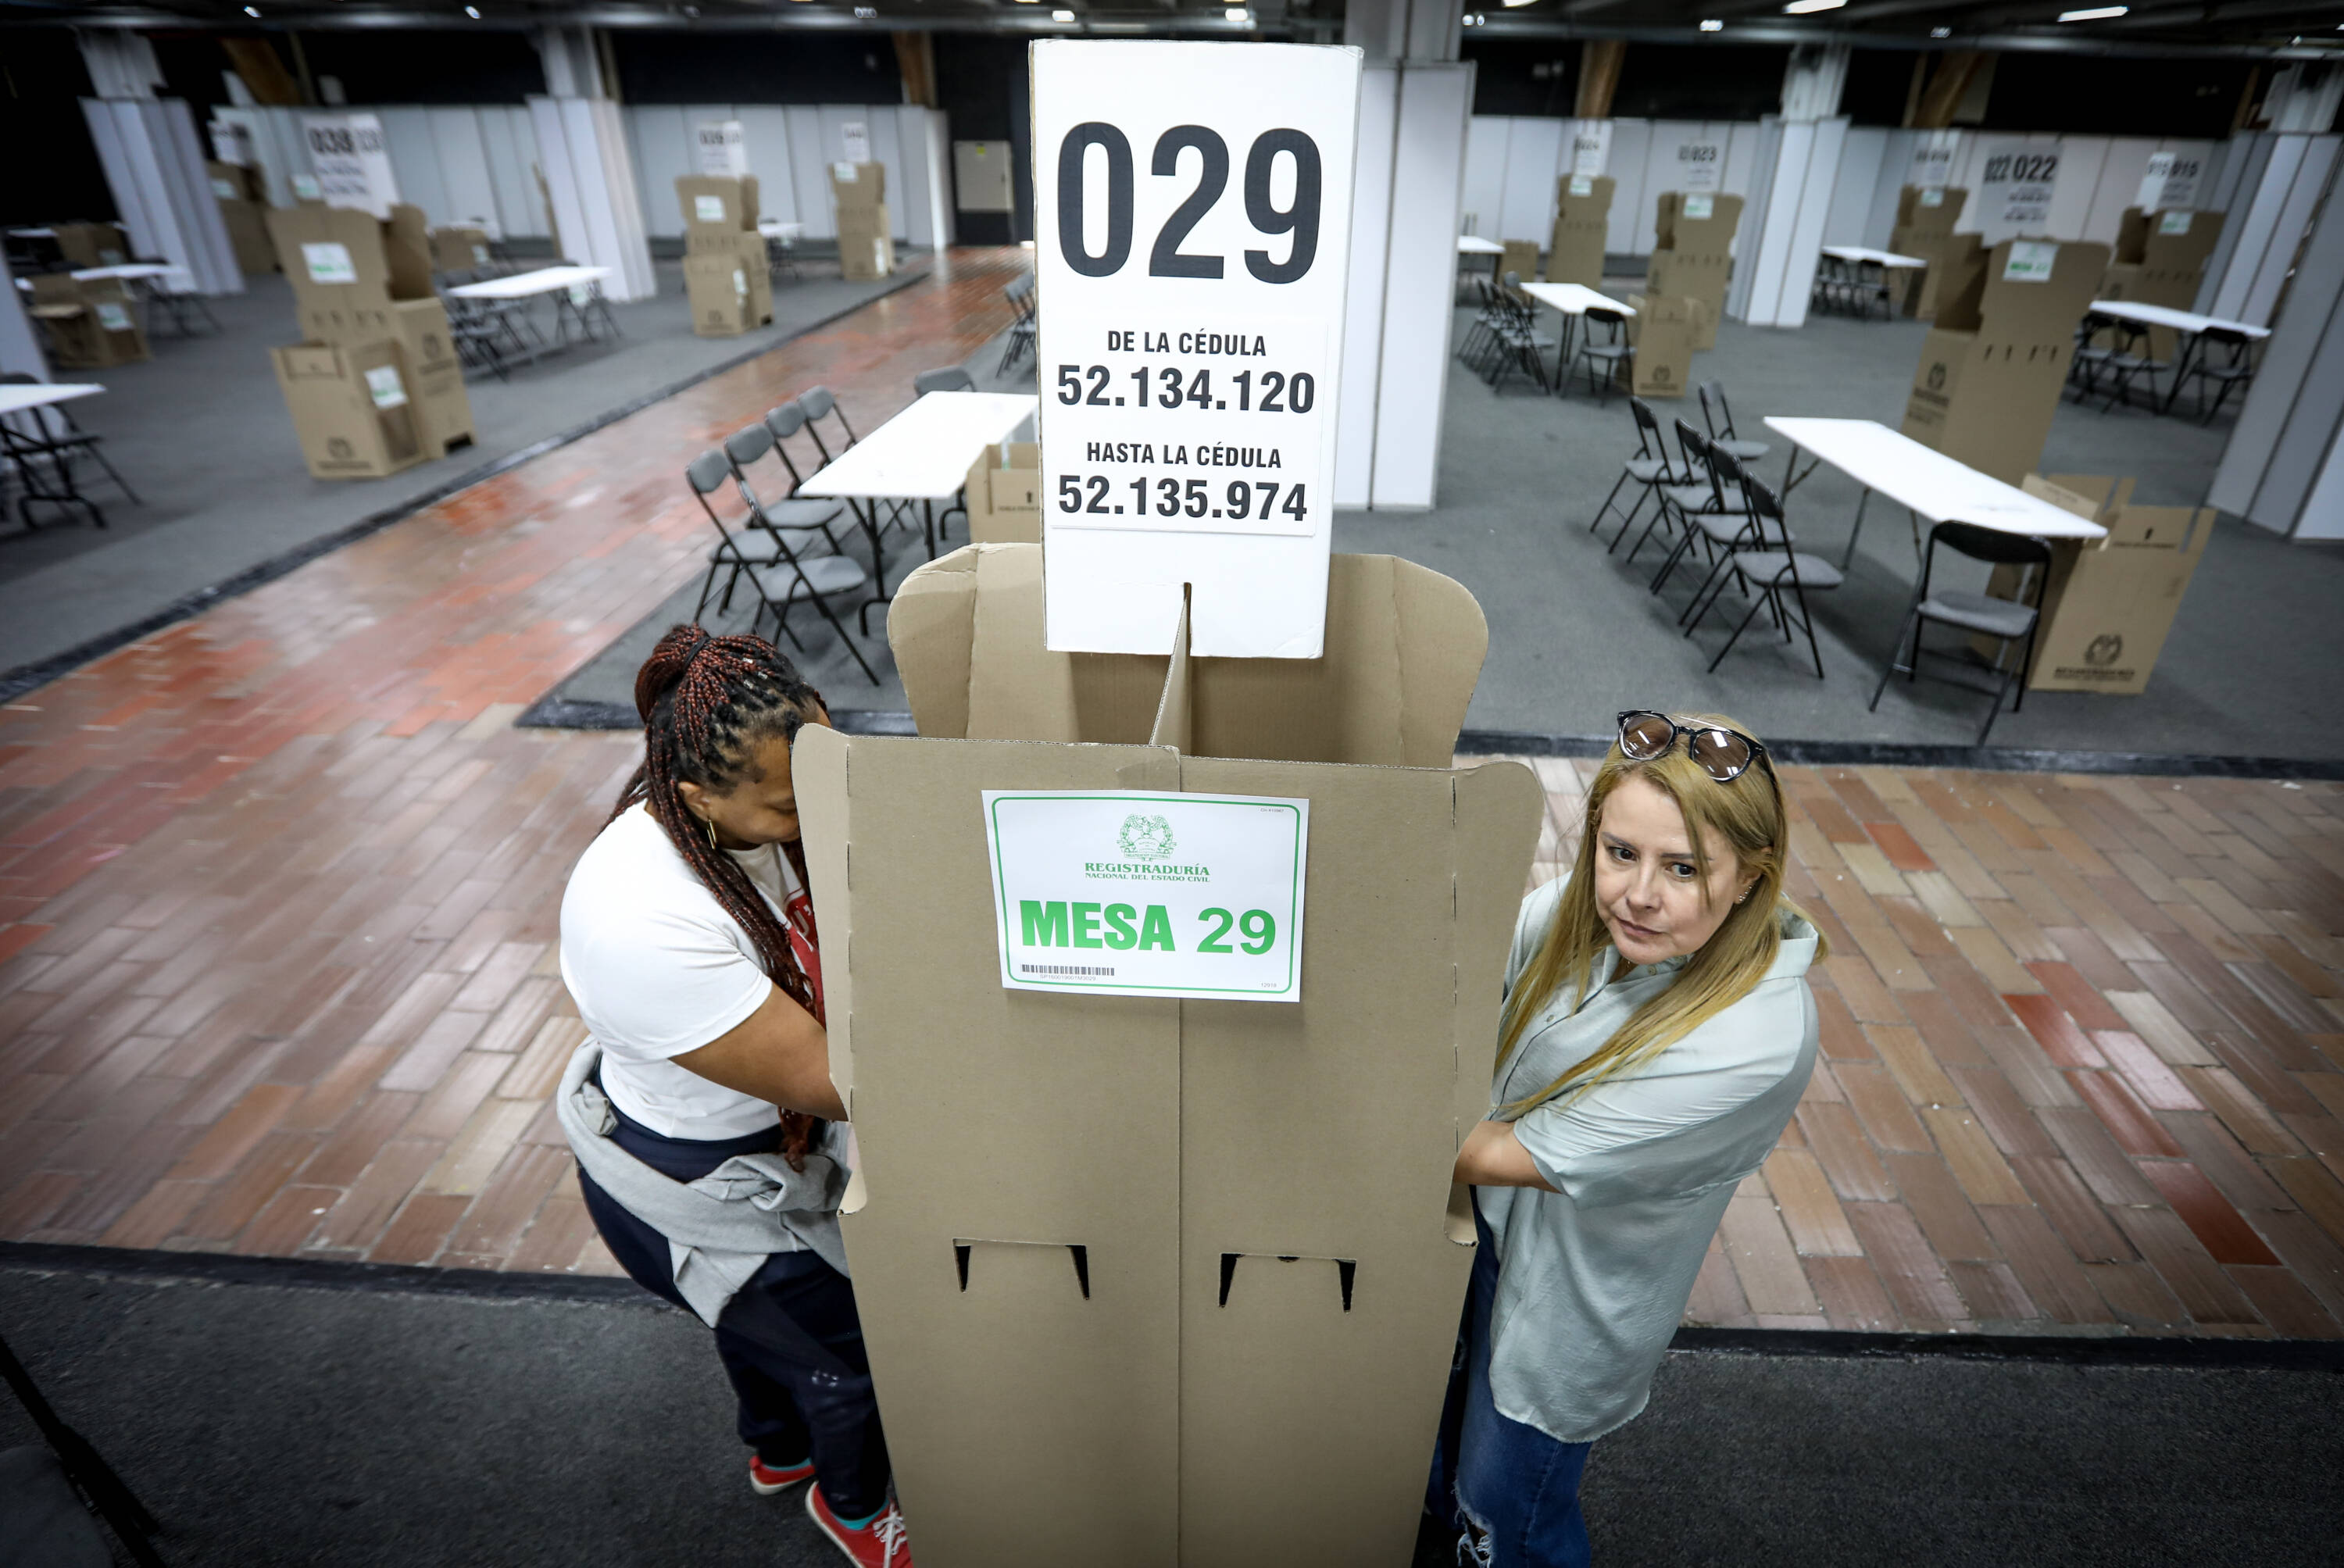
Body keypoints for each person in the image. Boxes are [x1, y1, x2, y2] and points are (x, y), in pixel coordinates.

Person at [1431, 709, 1824, 1567]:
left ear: (1750, 878)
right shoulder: (1595, 912)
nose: (1638, 893)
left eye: (1683, 868)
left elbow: (1496, 1152)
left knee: (1506, 1519)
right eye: (1620, 853)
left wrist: (1319, 1119)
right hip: (1486, 1231)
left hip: (1567, 1302)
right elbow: (1470, 980)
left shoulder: (1749, 1043)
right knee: (1438, 1434)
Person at [557, 626, 912, 1567]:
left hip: (745, 1147)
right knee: (849, 1360)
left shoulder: (744, 813)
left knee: (761, 1333)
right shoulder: (644, 920)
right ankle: (852, 1507)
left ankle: (778, 1450)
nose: (820, 811)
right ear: (696, 797)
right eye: (794, 806)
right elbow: (845, 1085)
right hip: (696, 1188)